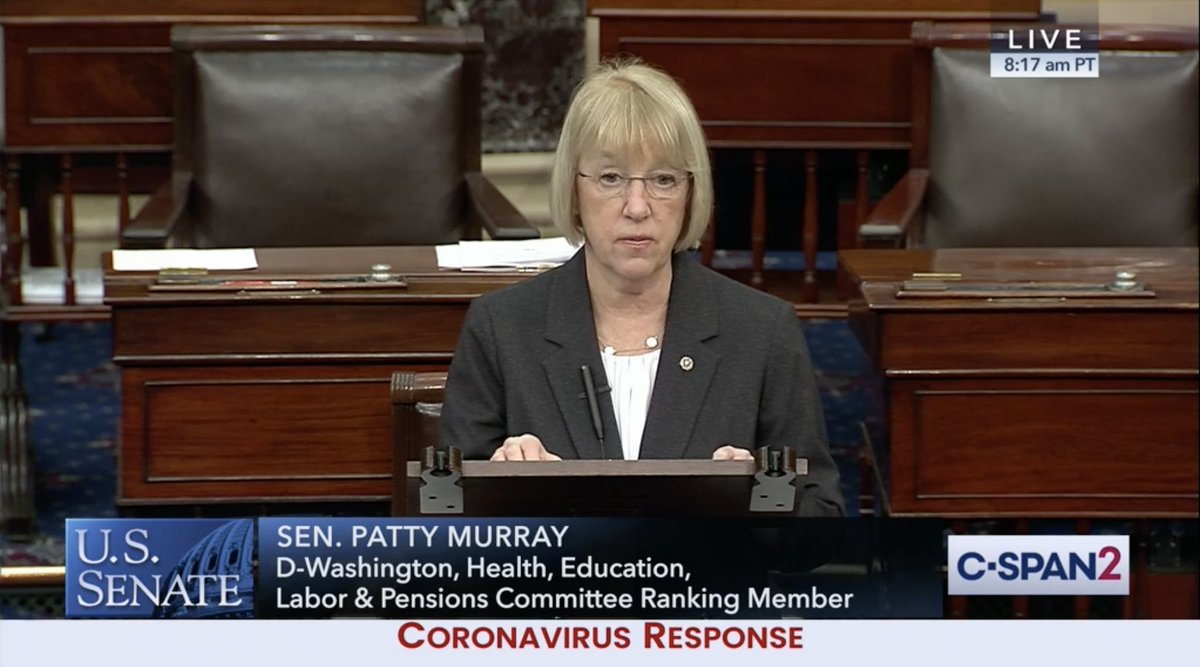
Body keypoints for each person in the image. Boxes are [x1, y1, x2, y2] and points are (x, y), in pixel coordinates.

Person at [440, 60, 843, 516]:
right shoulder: (501, 327)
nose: (637, 206)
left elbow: (820, 520)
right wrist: (504, 492)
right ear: (574, 190)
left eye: (663, 179)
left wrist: (760, 500)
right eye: (611, 178)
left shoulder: (761, 329)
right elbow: (445, 514)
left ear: (691, 192)